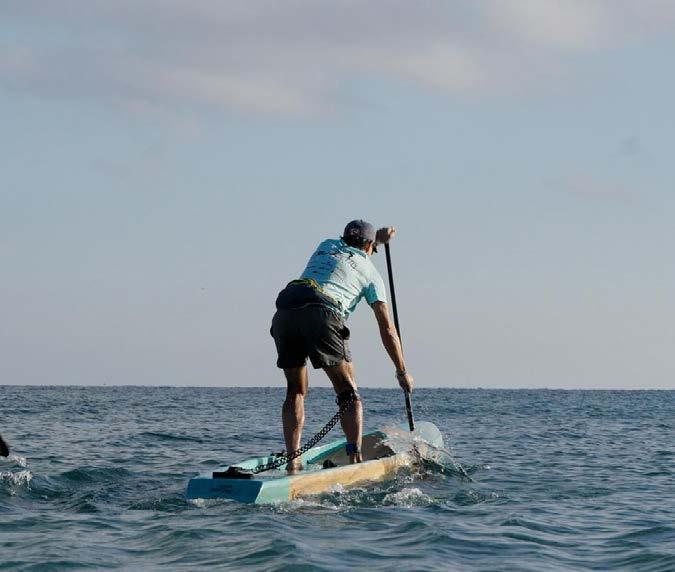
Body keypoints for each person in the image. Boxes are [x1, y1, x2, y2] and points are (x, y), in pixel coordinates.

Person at [270, 220, 414, 471]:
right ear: (369, 246)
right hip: (322, 313)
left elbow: (355, 248)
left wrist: (377, 240)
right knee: (348, 392)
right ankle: (354, 459)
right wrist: (402, 371)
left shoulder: (326, 245)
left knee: (295, 390)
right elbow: (388, 329)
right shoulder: (371, 274)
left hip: (285, 311)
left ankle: (293, 460)